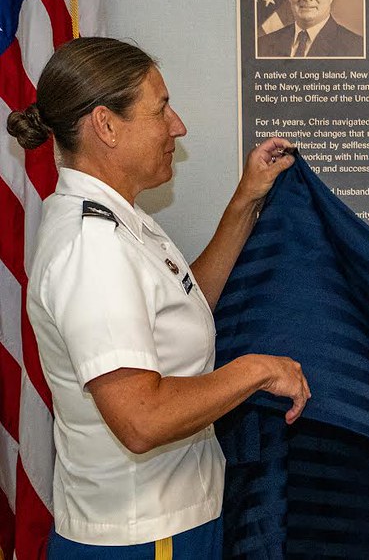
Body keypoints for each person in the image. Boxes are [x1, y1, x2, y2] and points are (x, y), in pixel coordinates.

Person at [6, 37, 312, 557]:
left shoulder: (119, 219)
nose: (178, 126)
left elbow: (180, 308)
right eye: (160, 109)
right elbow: (140, 419)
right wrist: (257, 370)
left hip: (172, 521)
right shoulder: (92, 249)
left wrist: (244, 201)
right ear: (106, 125)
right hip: (143, 537)